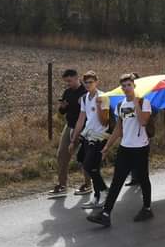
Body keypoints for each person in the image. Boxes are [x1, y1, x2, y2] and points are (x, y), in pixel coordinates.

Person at [86, 74, 153, 227]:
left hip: (140, 148)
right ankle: (105, 214)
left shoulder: (144, 102)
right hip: (125, 148)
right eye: (123, 86)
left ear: (134, 86)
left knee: (143, 178)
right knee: (117, 181)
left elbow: (143, 122)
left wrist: (136, 103)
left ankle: (147, 208)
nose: (126, 88)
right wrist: (107, 147)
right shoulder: (120, 105)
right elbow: (118, 129)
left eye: (129, 85)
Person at [70, 71, 109, 210]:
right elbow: (81, 119)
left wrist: (98, 105)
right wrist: (73, 139)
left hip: (99, 136)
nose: (88, 85)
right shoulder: (85, 98)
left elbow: (104, 122)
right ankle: (97, 195)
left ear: (96, 82)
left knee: (89, 166)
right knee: (84, 161)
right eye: (86, 82)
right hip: (88, 135)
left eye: (91, 82)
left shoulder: (103, 97)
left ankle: (104, 192)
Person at [50, 68, 88, 197]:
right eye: (66, 82)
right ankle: (62, 185)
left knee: (84, 157)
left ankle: (88, 184)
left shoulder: (85, 92)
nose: (68, 84)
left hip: (84, 128)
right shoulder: (67, 92)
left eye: (70, 81)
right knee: (61, 154)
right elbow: (62, 112)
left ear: (77, 77)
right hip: (70, 126)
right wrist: (62, 107)